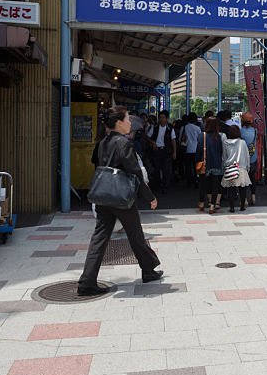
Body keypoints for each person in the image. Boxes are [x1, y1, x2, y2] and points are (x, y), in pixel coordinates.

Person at [79, 106, 162, 295]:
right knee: (136, 236)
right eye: (127, 119)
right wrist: (150, 196)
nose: (130, 123)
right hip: (121, 197)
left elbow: (97, 163)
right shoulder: (123, 143)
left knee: (99, 239)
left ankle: (87, 282)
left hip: (103, 196)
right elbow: (134, 172)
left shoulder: (103, 142)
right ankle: (148, 270)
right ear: (118, 122)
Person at [221, 124, 252, 212]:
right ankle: (242, 206)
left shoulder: (225, 142)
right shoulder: (242, 142)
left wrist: (224, 167)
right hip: (241, 167)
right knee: (242, 188)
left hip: (230, 167)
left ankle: (231, 207)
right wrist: (248, 167)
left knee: (230, 189)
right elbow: (247, 155)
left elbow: (224, 156)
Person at [146, 111, 176, 192]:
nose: (161, 119)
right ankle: (158, 184)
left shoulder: (170, 128)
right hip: (157, 151)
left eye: (163, 117)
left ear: (167, 119)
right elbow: (147, 137)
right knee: (157, 169)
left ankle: (165, 186)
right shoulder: (154, 127)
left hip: (167, 151)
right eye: (160, 117)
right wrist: (152, 143)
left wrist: (174, 152)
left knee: (167, 170)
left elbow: (173, 140)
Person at [202, 117, 225, 213]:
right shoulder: (219, 136)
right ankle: (213, 205)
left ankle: (209, 202)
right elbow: (221, 151)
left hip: (206, 163)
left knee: (207, 185)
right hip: (216, 163)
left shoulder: (203, 136)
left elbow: (199, 149)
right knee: (215, 185)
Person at [239, 113, 259, 206]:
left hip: (243, 158)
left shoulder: (240, 131)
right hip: (253, 157)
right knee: (252, 178)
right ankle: (253, 196)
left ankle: (245, 199)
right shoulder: (255, 131)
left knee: (243, 179)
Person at [180, 113, 203, 188]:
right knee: (196, 166)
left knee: (188, 167)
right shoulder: (197, 128)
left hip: (187, 150)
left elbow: (180, 138)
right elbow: (200, 140)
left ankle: (189, 181)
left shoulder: (184, 127)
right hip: (196, 150)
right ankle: (196, 180)